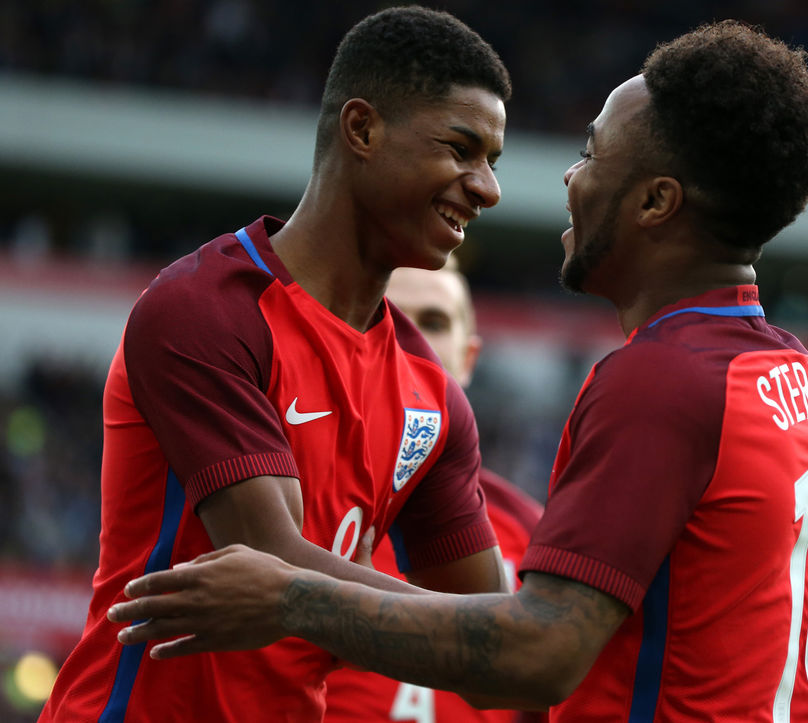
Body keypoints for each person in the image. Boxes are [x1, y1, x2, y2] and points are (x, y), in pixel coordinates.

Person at [109, 20, 808, 721]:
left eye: (591, 153)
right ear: (361, 129)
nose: (503, 187)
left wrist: (296, 596)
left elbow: (529, 648)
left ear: (657, 201)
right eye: (463, 150)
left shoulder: (656, 380)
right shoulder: (800, 385)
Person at [41, 7, 513, 723]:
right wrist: (484, 630)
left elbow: (497, 672)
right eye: (461, 149)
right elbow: (271, 563)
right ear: (362, 129)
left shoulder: (435, 399)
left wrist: (501, 636)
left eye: (493, 162)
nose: (487, 188)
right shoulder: (206, 310)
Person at [324, 260, 546, 722]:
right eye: (387, 316)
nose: (408, 341)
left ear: (468, 359)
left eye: (433, 322)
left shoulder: (532, 536)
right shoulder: (284, 506)